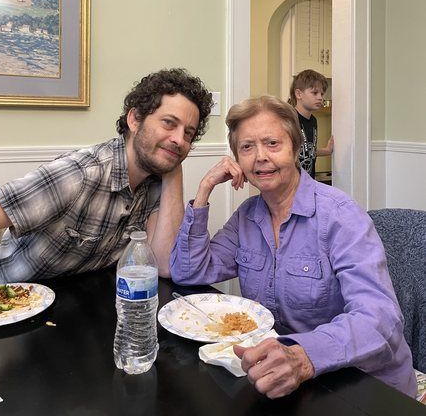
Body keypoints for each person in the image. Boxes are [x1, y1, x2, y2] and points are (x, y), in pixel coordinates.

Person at [170, 96, 416, 399]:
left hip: (364, 384)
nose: (260, 157)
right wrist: (203, 192)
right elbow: (188, 272)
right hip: (289, 380)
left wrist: (303, 355)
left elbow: (381, 319)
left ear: (296, 148)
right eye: (247, 147)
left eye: (272, 143)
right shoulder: (246, 217)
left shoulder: (340, 215)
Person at [0, 68, 213, 285]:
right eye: (169, 123)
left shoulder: (155, 184)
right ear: (134, 119)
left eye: (188, 134)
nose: (179, 139)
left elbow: (163, 265)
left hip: (69, 303)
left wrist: (174, 170)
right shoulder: (78, 174)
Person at [288, 69, 334, 179]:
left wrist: (326, 150)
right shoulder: (289, 119)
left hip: (308, 182)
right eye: (314, 93)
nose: (320, 98)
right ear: (299, 94)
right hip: (291, 183)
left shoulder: (313, 120)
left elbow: (307, 151)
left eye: (321, 94)